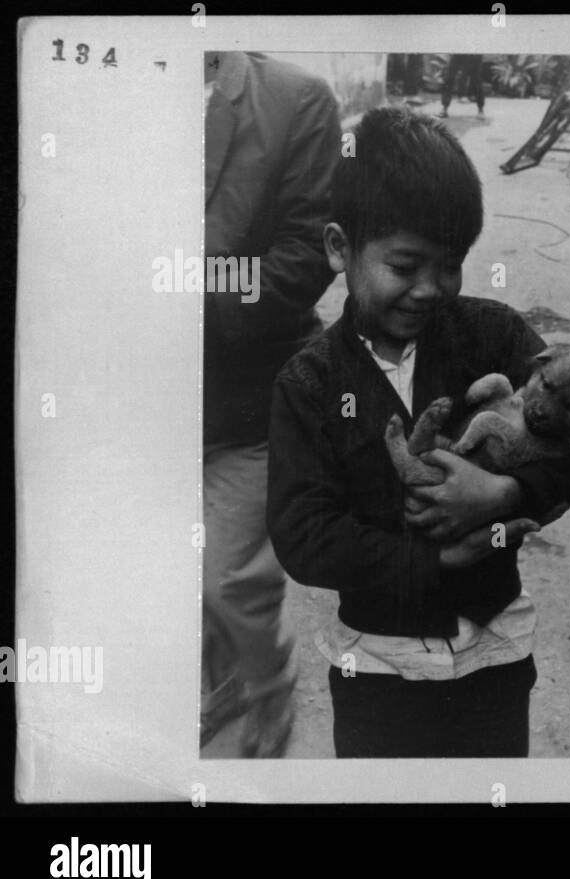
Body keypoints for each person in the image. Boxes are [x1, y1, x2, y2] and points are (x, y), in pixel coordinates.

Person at [266, 106, 570, 758]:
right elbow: (302, 535)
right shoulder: (308, 383)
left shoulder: (496, 336)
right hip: (376, 667)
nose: (432, 288)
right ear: (340, 247)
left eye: (449, 265)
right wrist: (432, 559)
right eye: (405, 265)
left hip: (494, 652)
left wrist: (506, 495)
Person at [202, 51, 341, 757]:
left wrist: (175, 287)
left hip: (244, 405)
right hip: (133, 398)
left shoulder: (296, 98)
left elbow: (306, 256)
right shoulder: (106, 90)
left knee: (231, 578)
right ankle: (221, 680)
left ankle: (267, 687)